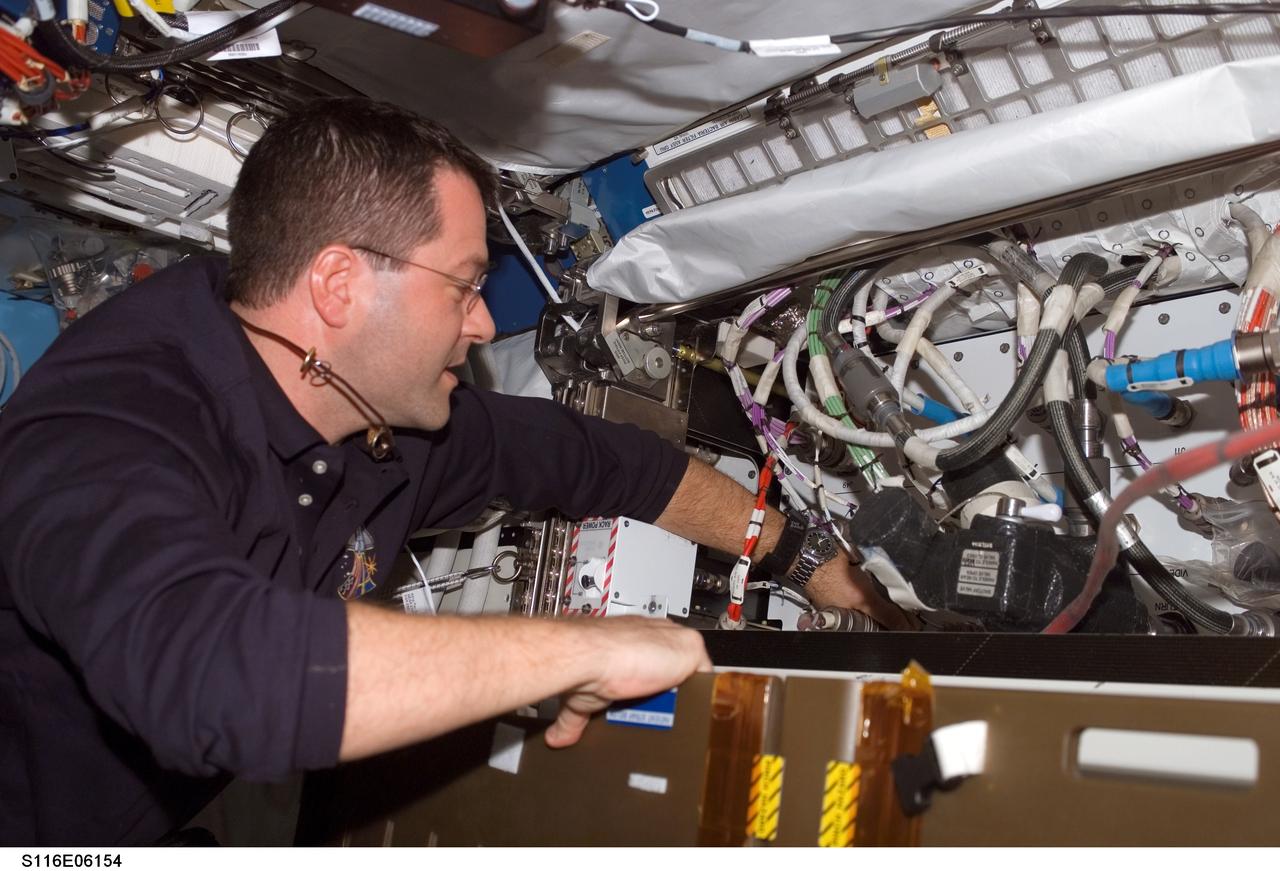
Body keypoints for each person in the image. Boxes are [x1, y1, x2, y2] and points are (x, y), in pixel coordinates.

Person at [0, 97, 902, 846]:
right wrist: (586, 647)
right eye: (465, 285)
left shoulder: (386, 421)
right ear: (339, 285)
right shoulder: (106, 425)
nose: (480, 327)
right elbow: (214, 675)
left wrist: (793, 552)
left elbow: (607, 462)